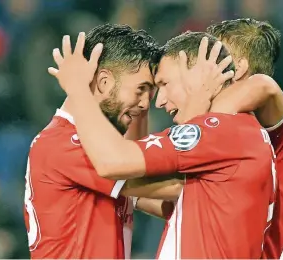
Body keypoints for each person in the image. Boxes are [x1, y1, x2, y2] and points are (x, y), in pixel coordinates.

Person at [48, 31, 276, 259]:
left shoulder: (218, 130)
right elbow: (177, 203)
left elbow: (111, 162)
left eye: (165, 84)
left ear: (196, 75)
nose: (159, 101)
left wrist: (77, 88)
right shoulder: (242, 132)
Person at [23, 24, 183, 259]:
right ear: (104, 82)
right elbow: (171, 187)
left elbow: (164, 204)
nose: (145, 104)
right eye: (141, 89)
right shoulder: (66, 143)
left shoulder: (91, 144)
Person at [205, 18, 283, 259]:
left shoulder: (281, 123)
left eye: (212, 57)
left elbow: (264, 86)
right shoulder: (230, 127)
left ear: (238, 68)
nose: (203, 67)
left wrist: (202, 118)